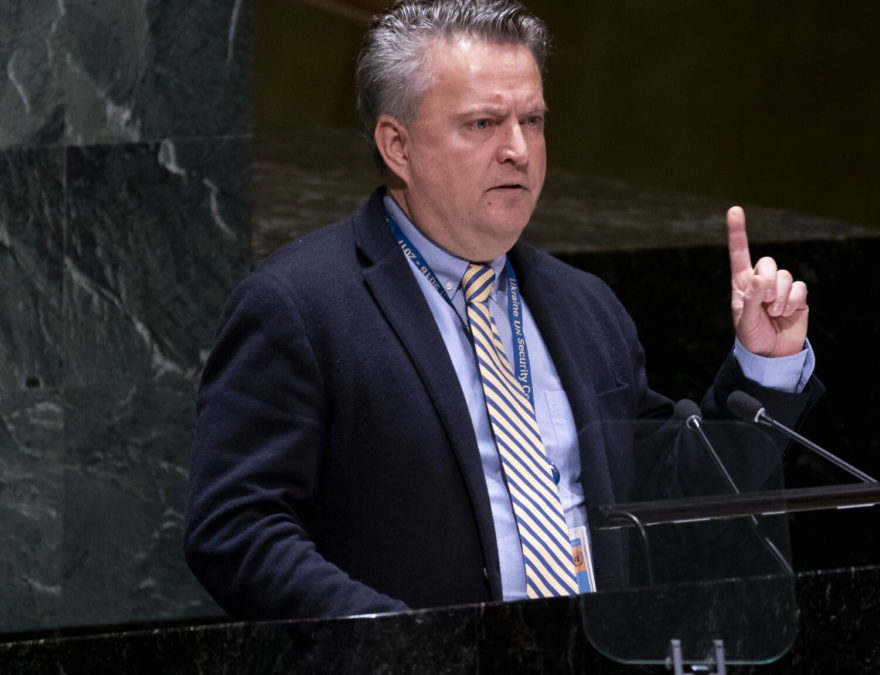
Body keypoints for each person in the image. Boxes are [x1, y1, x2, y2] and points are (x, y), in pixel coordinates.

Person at [184, 0, 822, 619]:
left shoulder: (585, 306)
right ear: (396, 145)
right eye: (483, 124)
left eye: (534, 121)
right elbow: (236, 529)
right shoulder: (299, 306)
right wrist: (403, 645)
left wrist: (761, 365)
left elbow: (667, 504)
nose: (519, 149)